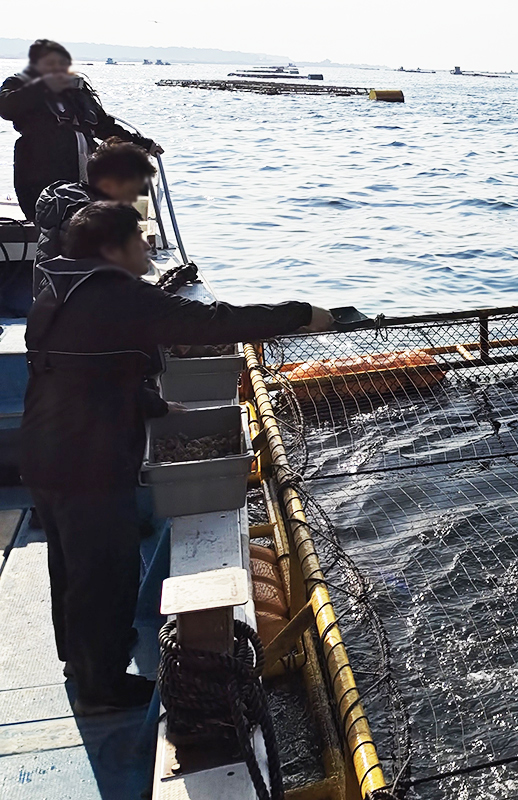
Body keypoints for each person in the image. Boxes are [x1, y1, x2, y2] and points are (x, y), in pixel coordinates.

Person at [23, 201, 332, 714]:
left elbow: (77, 373)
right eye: (138, 239)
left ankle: (81, 662)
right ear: (111, 249)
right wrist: (300, 314)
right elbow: (211, 321)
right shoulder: (116, 295)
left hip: (45, 453)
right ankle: (103, 689)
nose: (148, 246)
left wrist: (156, 405)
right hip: (88, 462)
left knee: (71, 565)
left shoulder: (59, 286)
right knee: (106, 569)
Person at [0, 39, 161, 221]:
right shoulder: (19, 84)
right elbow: (5, 107)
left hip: (81, 165)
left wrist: (144, 144)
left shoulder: (76, 88)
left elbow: (104, 126)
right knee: (52, 213)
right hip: (40, 168)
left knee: (87, 210)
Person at [0, 138, 158, 316]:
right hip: (71, 316)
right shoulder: (91, 222)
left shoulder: (64, 201)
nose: (136, 194)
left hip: (48, 307)